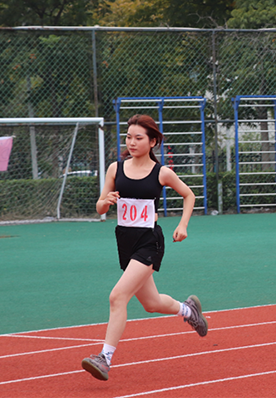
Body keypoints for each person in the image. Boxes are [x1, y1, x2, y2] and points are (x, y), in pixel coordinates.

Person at [81, 114, 208, 381]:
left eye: (138, 138)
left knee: (117, 297)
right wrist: (106, 200)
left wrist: (183, 225)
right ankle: (188, 310)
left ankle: (104, 358)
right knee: (151, 303)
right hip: (125, 242)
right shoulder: (115, 169)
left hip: (149, 242)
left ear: (152, 142)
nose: (132, 142)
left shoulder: (161, 172)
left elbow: (189, 195)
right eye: (128, 137)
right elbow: (100, 207)